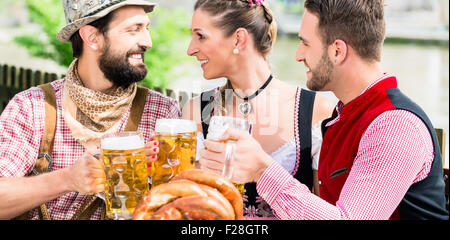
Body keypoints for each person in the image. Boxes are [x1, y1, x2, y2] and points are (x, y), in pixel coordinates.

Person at [199, 0, 449, 220]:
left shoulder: (395, 126)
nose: (298, 55)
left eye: (305, 44)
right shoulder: (344, 114)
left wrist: (262, 169)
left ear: (337, 51)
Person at [0, 0, 180, 220]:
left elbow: (179, 206)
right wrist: (67, 179)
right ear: (92, 37)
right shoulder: (32, 107)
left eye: (146, 28)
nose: (147, 42)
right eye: (134, 30)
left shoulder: (161, 111)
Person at [181, 0, 333, 218]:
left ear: (238, 38)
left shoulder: (316, 111)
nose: (190, 49)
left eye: (201, 36)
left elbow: (327, 212)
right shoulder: (195, 110)